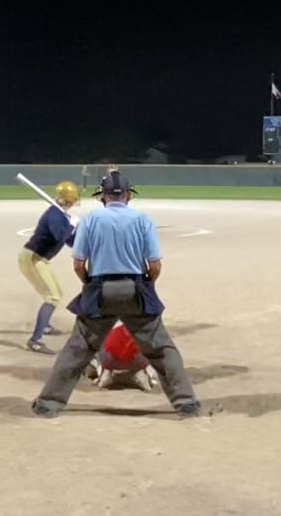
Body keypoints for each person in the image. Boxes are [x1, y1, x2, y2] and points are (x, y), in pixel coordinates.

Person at [33, 170, 199, 419]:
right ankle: (186, 403)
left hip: (100, 290)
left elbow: (78, 264)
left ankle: (49, 404)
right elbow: (154, 265)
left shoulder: (90, 220)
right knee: (162, 350)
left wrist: (90, 284)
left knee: (77, 349)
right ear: (128, 196)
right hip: (135, 289)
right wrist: (145, 286)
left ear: (103, 196)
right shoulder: (142, 220)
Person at [19, 180, 81, 353]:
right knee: (52, 297)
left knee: (56, 293)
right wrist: (71, 225)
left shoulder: (61, 215)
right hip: (33, 258)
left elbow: (70, 241)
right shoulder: (55, 215)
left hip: (40, 259)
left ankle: (45, 326)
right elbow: (59, 236)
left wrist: (78, 231)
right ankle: (35, 341)